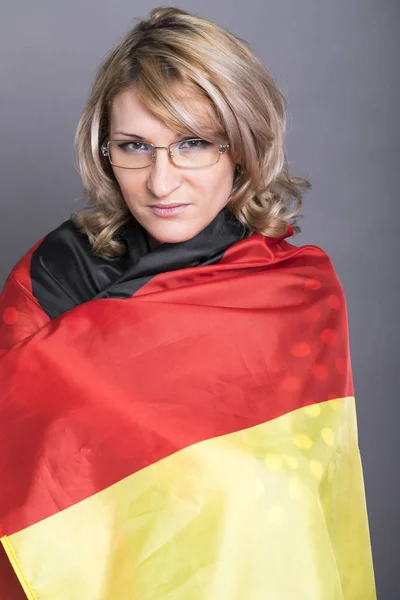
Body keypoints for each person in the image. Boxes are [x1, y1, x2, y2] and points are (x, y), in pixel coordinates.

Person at [0, 7, 376, 599]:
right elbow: (29, 494)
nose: (161, 181)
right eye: (134, 147)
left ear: (243, 147)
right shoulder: (53, 280)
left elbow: (308, 506)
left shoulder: (295, 293)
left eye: (193, 144)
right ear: (105, 152)